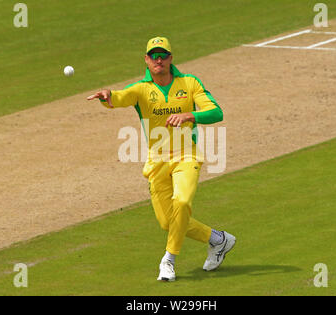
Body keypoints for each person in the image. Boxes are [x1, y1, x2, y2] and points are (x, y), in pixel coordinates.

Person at [87, 36, 236, 282]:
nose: (159, 60)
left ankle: (168, 260)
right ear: (146, 60)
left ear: (171, 58)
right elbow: (119, 97)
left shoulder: (189, 83)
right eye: (153, 55)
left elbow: (216, 112)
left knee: (182, 201)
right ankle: (219, 240)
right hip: (156, 162)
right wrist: (106, 96)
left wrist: (190, 115)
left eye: (163, 55)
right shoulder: (141, 89)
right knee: (169, 222)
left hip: (187, 155)